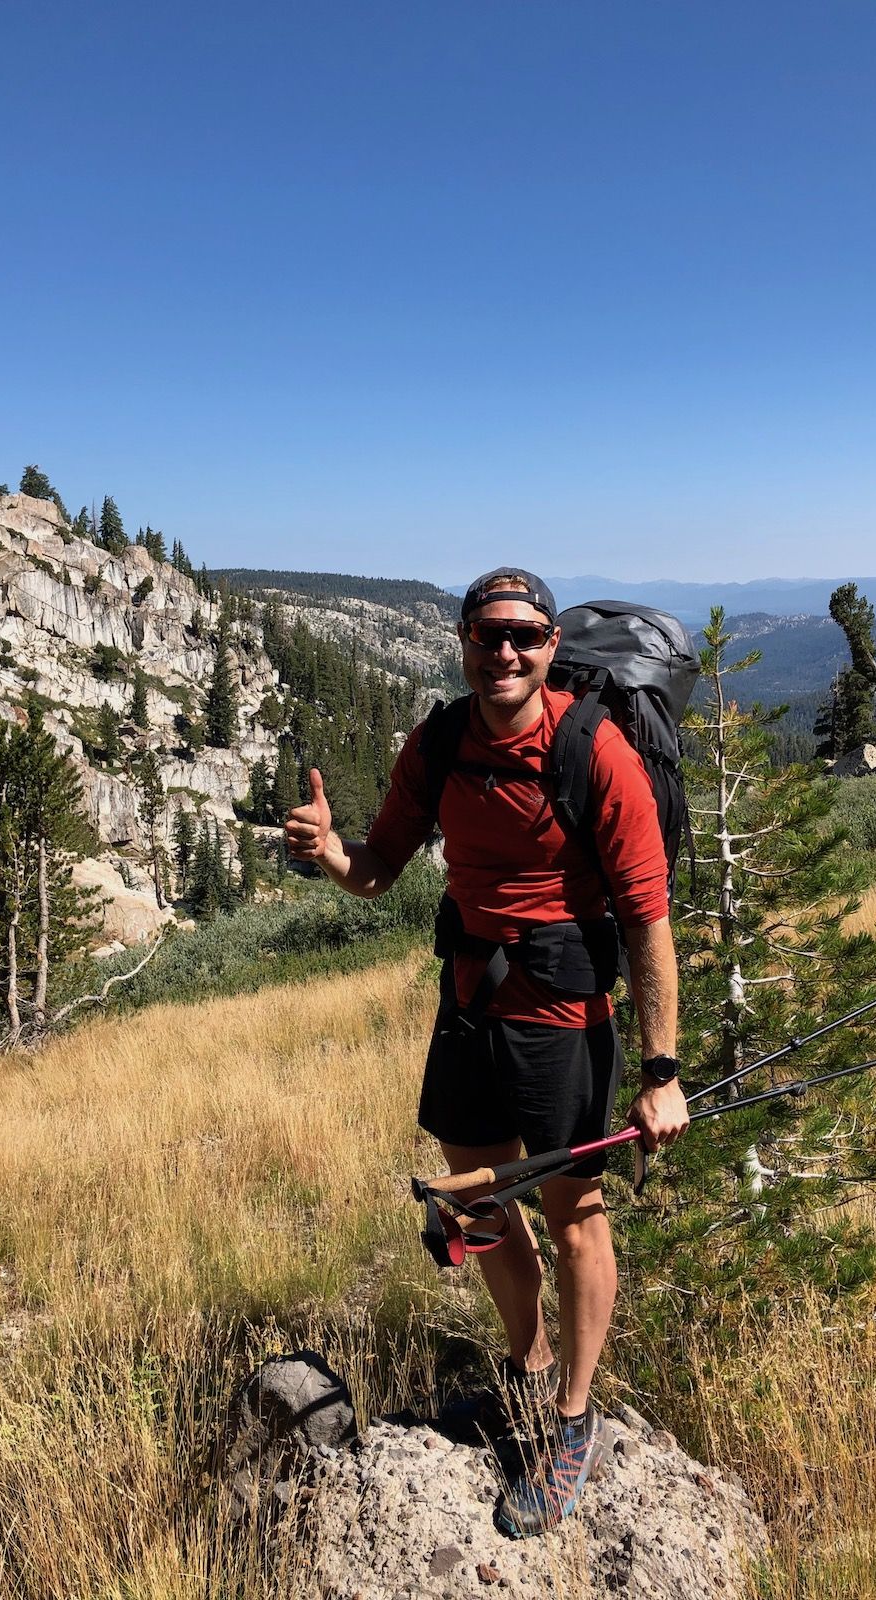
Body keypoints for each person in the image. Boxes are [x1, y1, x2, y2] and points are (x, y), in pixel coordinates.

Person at [285, 568, 689, 1537]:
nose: (503, 651)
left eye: (523, 635)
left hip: (563, 1018)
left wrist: (661, 1073)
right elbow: (379, 869)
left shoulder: (595, 751)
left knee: (574, 1217)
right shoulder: (437, 745)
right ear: (463, 642)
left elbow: (647, 919)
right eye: (486, 634)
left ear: (551, 647)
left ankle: (573, 1424)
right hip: (468, 1004)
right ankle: (530, 1369)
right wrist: (330, 852)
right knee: (476, 1199)